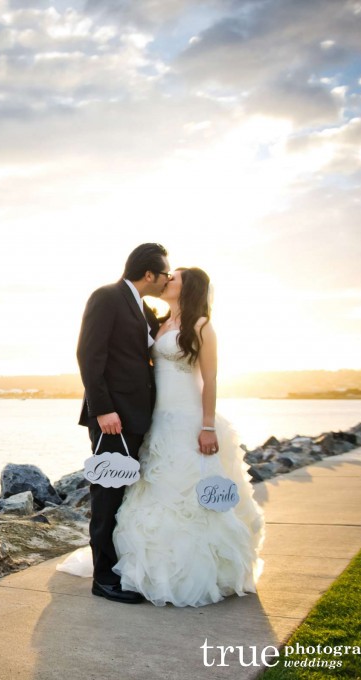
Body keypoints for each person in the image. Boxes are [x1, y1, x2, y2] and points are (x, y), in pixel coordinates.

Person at [60, 266, 265, 608]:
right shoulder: (158, 322)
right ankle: (146, 569)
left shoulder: (201, 326)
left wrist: (208, 426)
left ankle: (200, 570)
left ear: (190, 288)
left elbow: (210, 380)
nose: (168, 279)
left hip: (189, 421)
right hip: (156, 421)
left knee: (191, 496)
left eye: (176, 277)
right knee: (150, 493)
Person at [73, 243, 171, 604]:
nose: (168, 279)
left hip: (138, 417)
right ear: (149, 274)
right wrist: (102, 409)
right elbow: (88, 353)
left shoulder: (145, 308)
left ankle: (121, 568)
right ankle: (103, 579)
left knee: (126, 495)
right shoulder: (107, 297)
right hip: (112, 418)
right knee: (107, 495)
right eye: (166, 274)